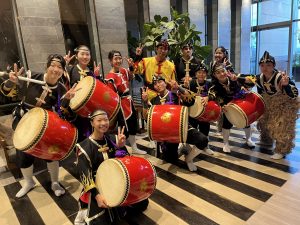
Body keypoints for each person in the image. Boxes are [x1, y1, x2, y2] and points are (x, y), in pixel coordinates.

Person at [0, 54, 77, 198]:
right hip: (24, 121)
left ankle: (55, 182)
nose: (55, 69)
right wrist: (11, 82)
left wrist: (66, 100)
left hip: (46, 125)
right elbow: (5, 91)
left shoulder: (61, 89)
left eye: (59, 67)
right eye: (52, 65)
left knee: (51, 154)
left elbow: (62, 111)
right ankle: (28, 182)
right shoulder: (30, 76)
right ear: (46, 66)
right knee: (23, 154)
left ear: (63, 71)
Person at [74, 109, 149, 225]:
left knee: (143, 203)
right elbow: (86, 177)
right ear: (92, 123)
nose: (103, 123)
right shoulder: (83, 147)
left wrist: (121, 147)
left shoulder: (113, 139)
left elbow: (126, 162)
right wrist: (98, 196)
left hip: (117, 181)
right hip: (97, 187)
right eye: (99, 120)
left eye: (106, 120)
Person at [142, 75, 209, 171]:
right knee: (170, 158)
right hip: (168, 134)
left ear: (165, 83)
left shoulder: (176, 94)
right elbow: (146, 117)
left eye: (160, 82)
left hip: (183, 128)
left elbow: (191, 100)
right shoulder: (154, 101)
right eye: (155, 84)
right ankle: (182, 147)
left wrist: (179, 87)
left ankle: (189, 159)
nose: (158, 85)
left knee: (203, 140)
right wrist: (144, 102)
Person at [242, 51, 298, 159]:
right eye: (262, 65)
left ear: (273, 66)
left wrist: (286, 85)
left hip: (284, 104)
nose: (265, 68)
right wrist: (235, 79)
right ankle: (266, 141)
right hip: (268, 102)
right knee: (264, 122)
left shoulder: (280, 77)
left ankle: (281, 150)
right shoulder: (260, 77)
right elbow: (247, 79)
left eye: (268, 65)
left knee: (281, 126)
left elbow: (294, 93)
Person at [105, 50, 146, 155]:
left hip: (129, 101)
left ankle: (134, 147)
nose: (118, 60)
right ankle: (120, 150)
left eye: (119, 58)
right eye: (115, 58)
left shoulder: (123, 70)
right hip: (121, 105)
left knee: (132, 125)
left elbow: (131, 75)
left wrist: (135, 59)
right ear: (110, 60)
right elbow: (111, 96)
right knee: (123, 127)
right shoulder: (109, 78)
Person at [208, 63, 255, 153]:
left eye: (223, 71)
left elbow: (253, 80)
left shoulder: (234, 77)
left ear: (226, 71)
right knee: (226, 124)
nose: (221, 74)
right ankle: (225, 143)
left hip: (241, 104)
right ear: (214, 75)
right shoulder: (213, 85)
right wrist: (221, 105)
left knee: (246, 122)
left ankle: (249, 139)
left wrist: (238, 79)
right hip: (227, 107)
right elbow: (213, 96)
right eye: (218, 72)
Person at [63, 45, 101, 142]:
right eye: (82, 54)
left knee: (90, 133)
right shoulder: (70, 70)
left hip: (89, 110)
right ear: (76, 56)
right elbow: (62, 84)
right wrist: (64, 66)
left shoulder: (92, 73)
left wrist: (97, 77)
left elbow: (97, 90)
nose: (85, 57)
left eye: (87, 54)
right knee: (77, 136)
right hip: (74, 110)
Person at [183, 62, 214, 155]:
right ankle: (187, 145)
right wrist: (185, 87)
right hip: (192, 111)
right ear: (196, 74)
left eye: (204, 72)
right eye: (199, 72)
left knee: (205, 129)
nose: (201, 74)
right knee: (192, 129)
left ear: (206, 74)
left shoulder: (209, 84)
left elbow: (213, 94)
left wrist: (208, 97)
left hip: (205, 112)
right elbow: (185, 96)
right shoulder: (191, 83)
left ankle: (205, 146)